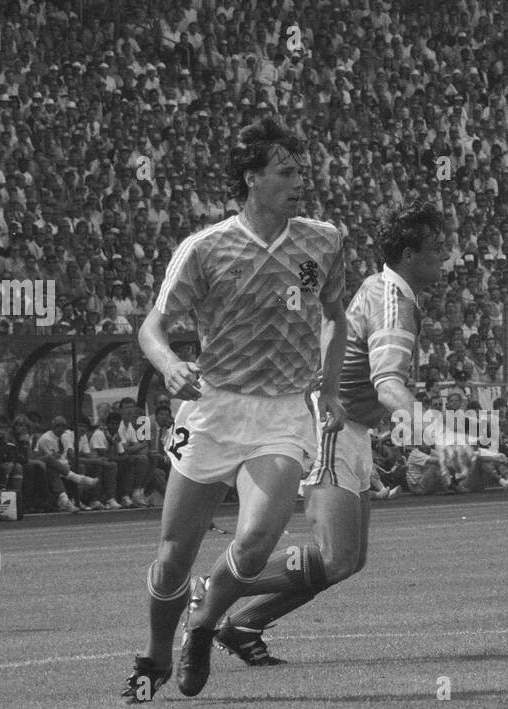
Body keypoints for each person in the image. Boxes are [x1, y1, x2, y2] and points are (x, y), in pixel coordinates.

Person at [124, 116, 348, 703]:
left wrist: (328, 384)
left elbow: (335, 315)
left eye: (301, 169)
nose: (301, 179)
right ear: (251, 178)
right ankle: (153, 657)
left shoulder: (324, 239)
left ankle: (201, 625)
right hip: (212, 410)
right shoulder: (205, 248)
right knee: (174, 553)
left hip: (282, 415)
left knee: (253, 542)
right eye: (286, 171)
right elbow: (152, 326)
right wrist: (170, 364)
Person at [189, 203, 448, 665]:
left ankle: (246, 623)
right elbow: (388, 384)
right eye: (437, 248)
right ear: (409, 254)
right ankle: (215, 586)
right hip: (332, 426)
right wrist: (438, 431)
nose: (445, 256)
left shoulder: (384, 289)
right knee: (335, 557)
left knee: (348, 560)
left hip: (352, 428)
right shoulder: (392, 301)